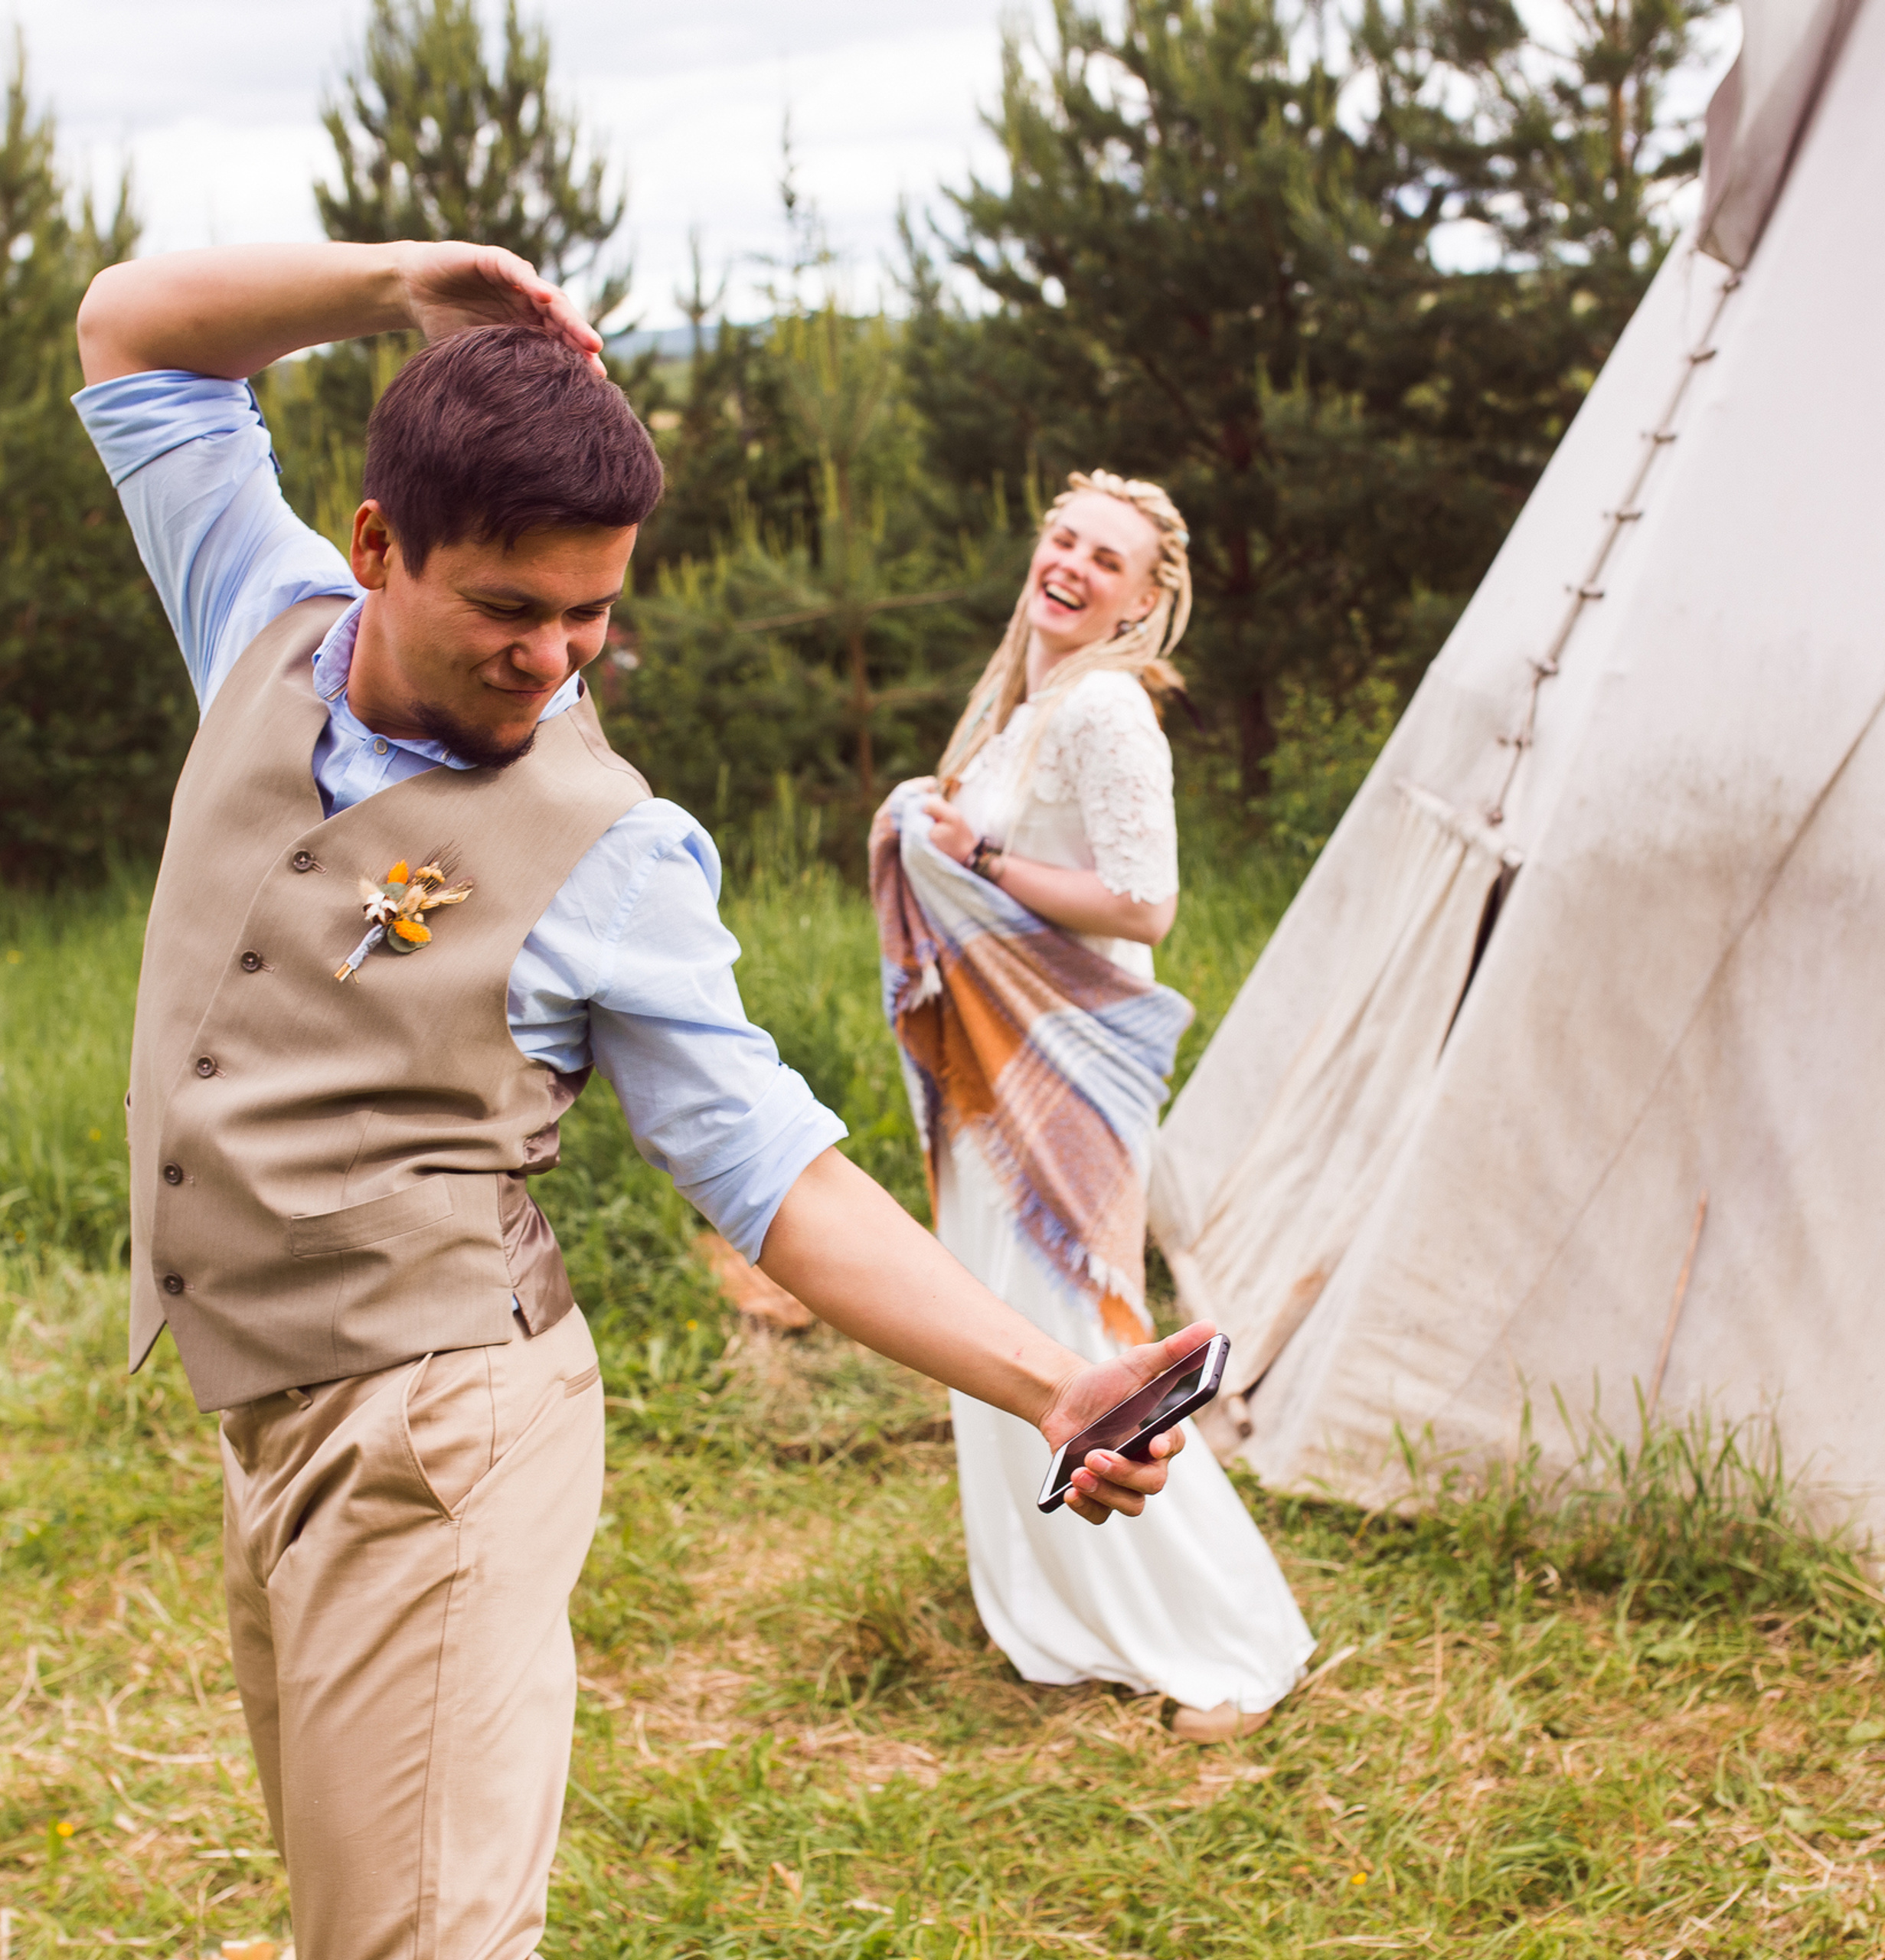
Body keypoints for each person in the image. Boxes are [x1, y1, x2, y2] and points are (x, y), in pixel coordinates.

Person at [73, 243, 1214, 1960]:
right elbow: (132, 329)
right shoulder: (261, 607)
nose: (557, 662)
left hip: (442, 1434)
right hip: (269, 1421)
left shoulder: (611, 847)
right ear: (377, 547)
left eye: (591, 611)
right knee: (347, 1926)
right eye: (510, 609)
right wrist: (400, 283)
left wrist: (1052, 1376)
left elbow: (768, 1167)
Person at [871, 472, 1314, 1743]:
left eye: (1104, 558)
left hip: (1066, 1077)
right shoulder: (1032, 705)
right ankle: (1071, 1606)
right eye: (1063, 538)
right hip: (1004, 1074)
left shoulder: (1109, 708)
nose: (1069, 564)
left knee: (1082, 1347)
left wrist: (976, 858)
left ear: (1142, 600)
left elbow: (1145, 903)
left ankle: (1228, 1643)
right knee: (1011, 1332)